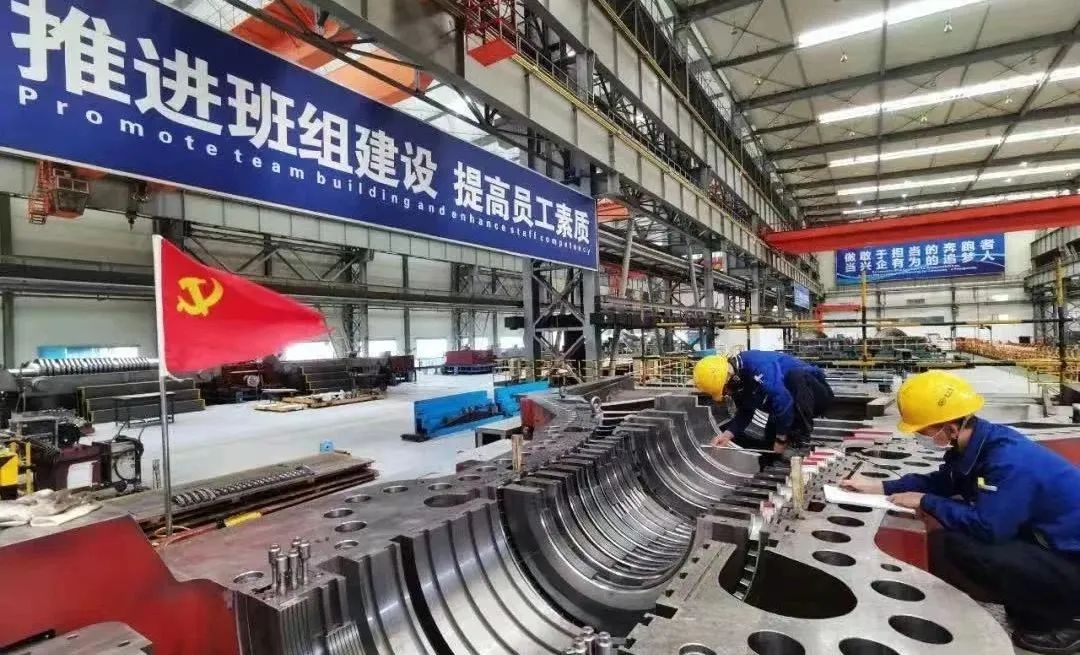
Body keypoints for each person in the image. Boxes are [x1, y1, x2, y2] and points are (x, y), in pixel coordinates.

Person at [843, 370, 1080, 655]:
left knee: (965, 548)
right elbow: (944, 481)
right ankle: (1039, 603)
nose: (920, 437)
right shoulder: (980, 444)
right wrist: (880, 486)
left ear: (950, 428)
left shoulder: (1008, 461)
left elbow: (989, 528)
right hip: (1051, 546)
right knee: (950, 541)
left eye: (923, 431)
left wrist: (927, 502)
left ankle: (1062, 622)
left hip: (1070, 558)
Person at [693, 351, 834, 454]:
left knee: (795, 377)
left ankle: (801, 441)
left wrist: (781, 439)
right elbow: (745, 411)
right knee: (769, 442)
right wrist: (727, 435)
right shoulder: (739, 380)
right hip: (789, 405)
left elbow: (783, 401)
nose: (727, 394)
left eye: (725, 390)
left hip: (816, 396)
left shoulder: (759, 366)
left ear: (731, 378)